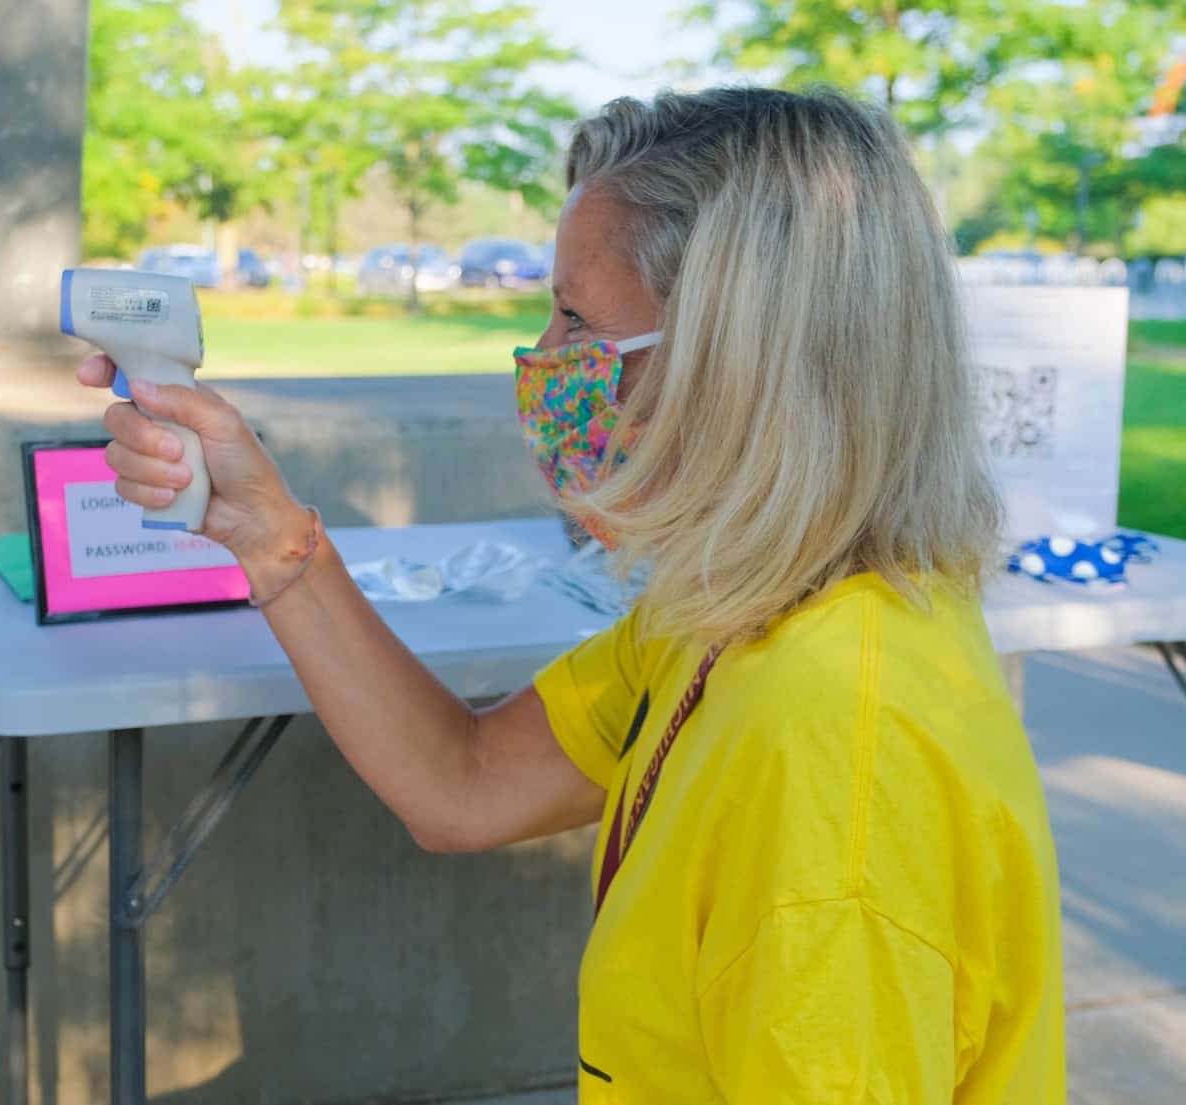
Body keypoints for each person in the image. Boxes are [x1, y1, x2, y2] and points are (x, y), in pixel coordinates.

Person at [86, 87, 1065, 1103]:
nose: (543, 360)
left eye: (576, 318)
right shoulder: (748, 608)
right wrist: (263, 530)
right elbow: (463, 781)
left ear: (737, 363)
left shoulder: (831, 774)